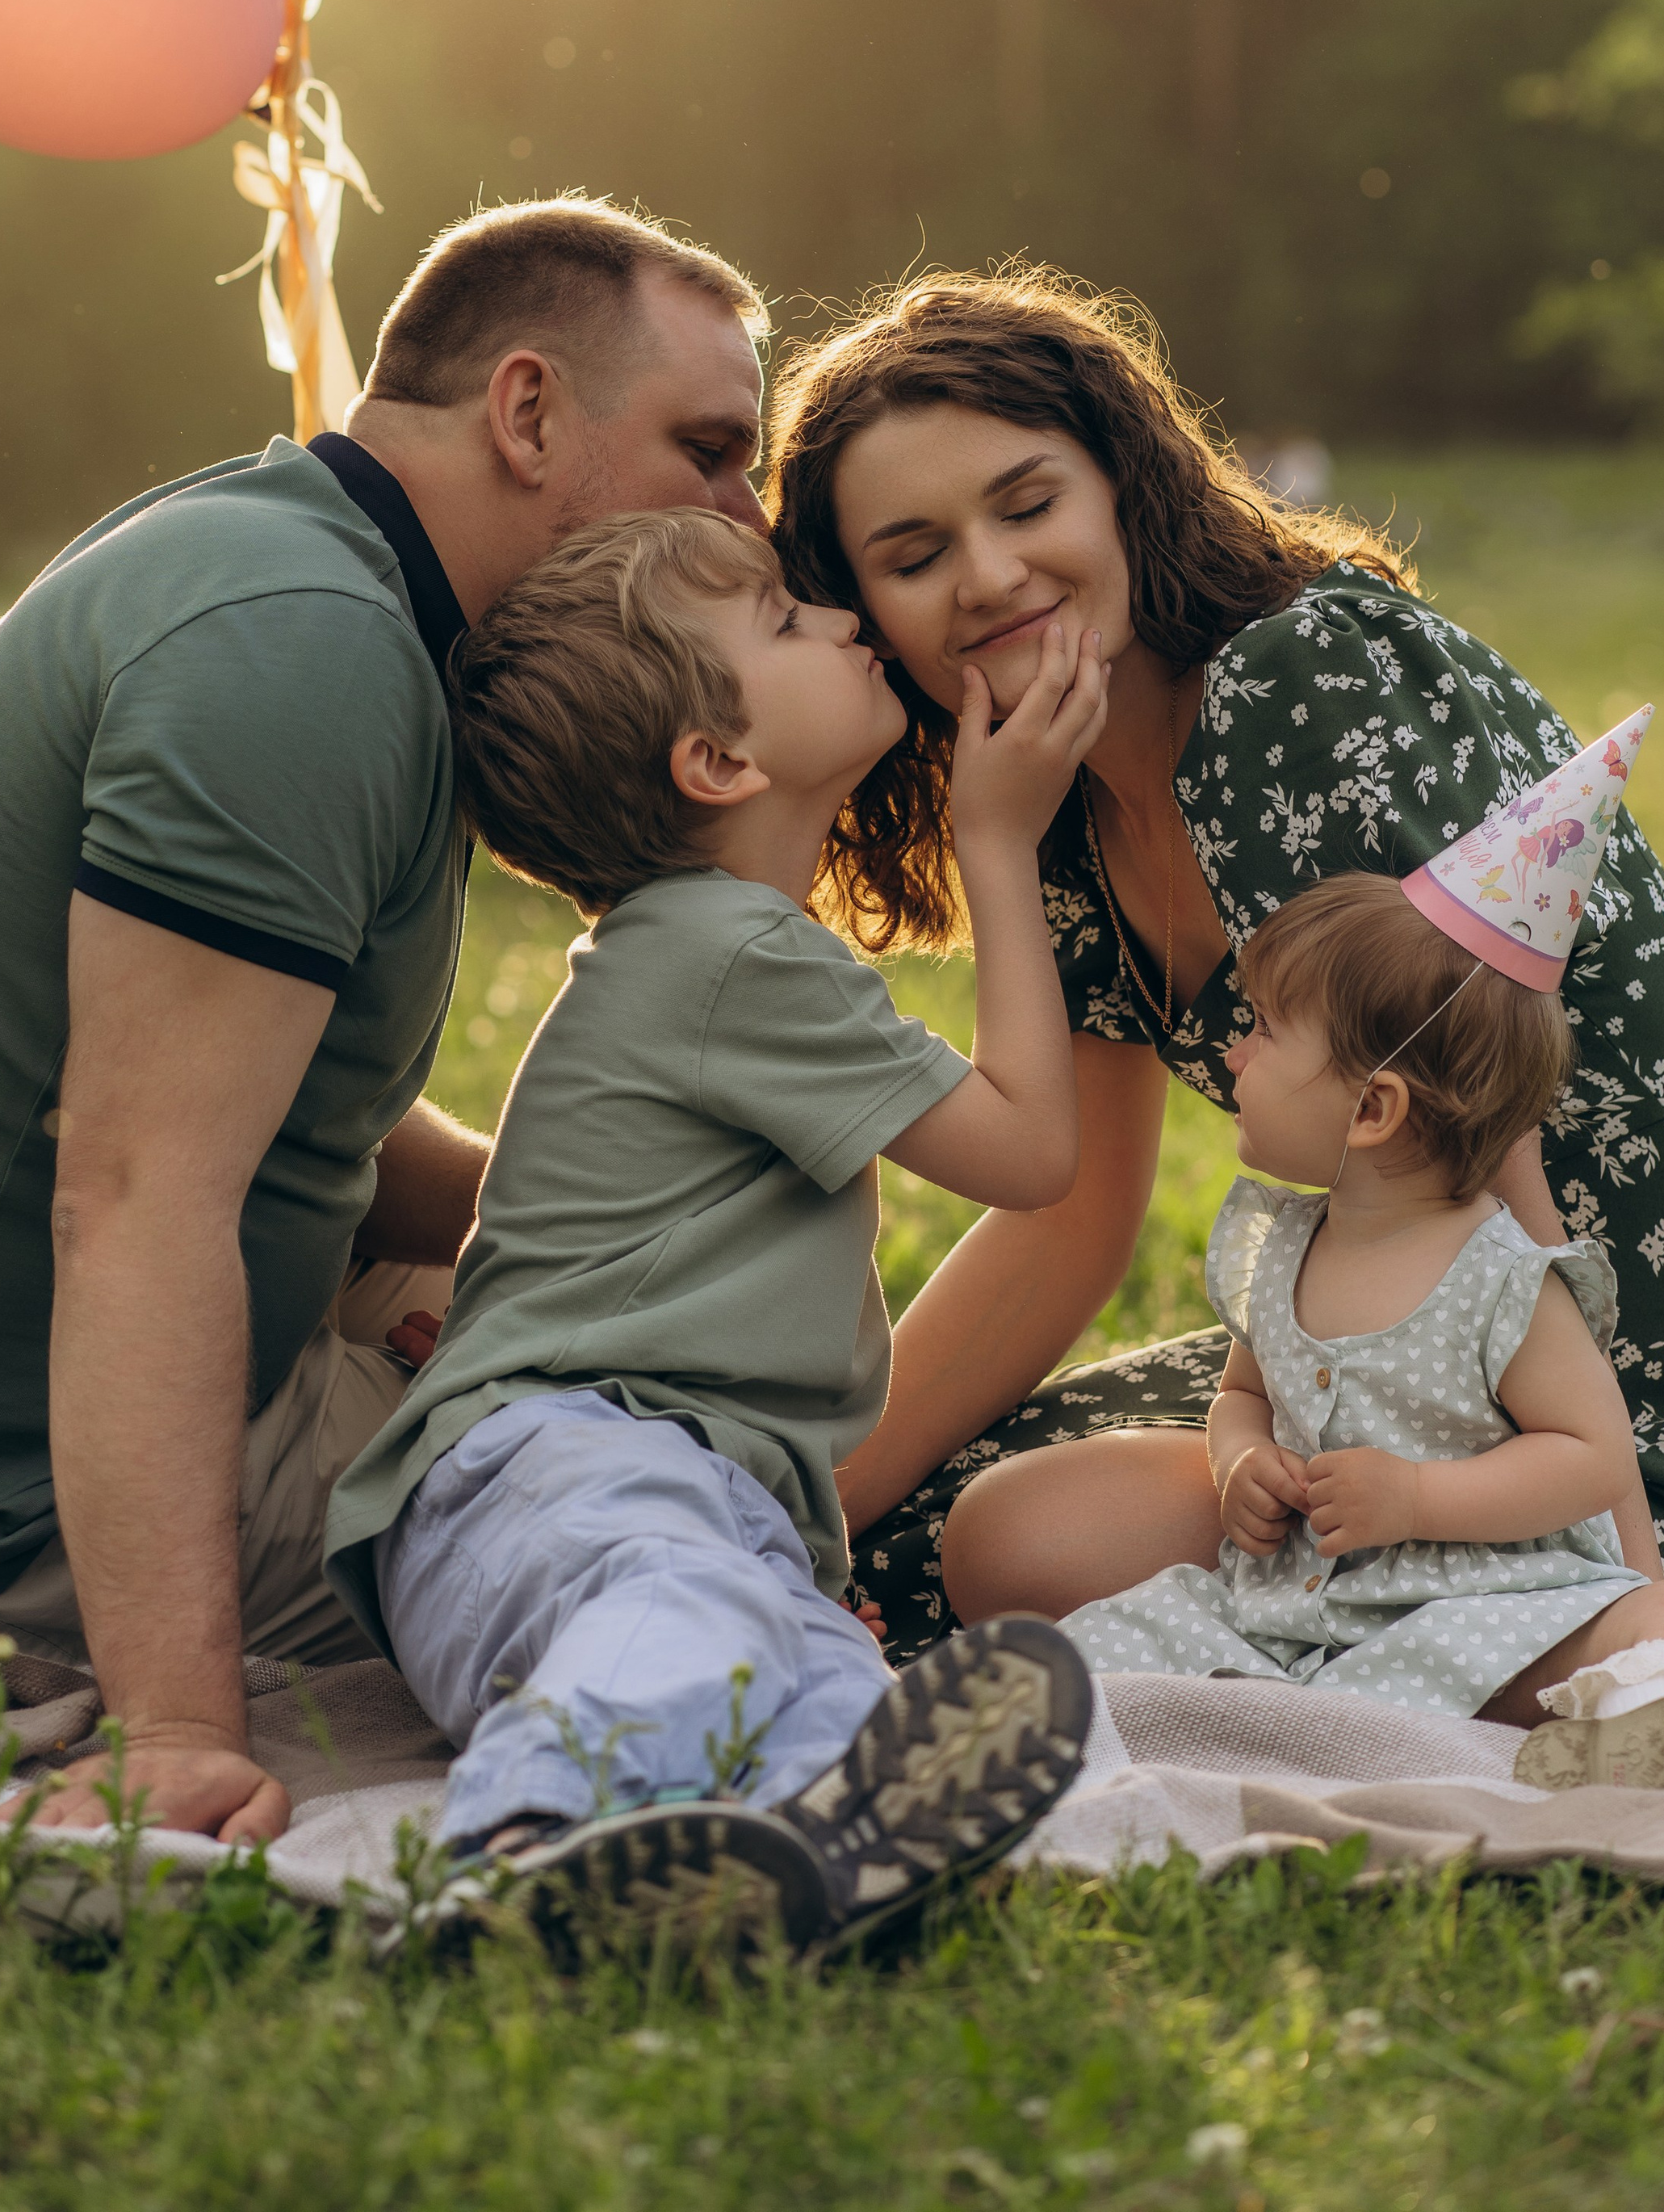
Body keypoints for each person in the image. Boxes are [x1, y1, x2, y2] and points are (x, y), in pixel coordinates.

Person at [0, 198, 778, 1846]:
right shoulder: (301, 651)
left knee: (624, 1327)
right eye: (712, 451)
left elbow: (302, 1111)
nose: (748, 520)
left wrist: (617, 1222)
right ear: (528, 412)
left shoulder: (299, 565)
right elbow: (137, 1193)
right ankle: (693, 1757)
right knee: (674, 1457)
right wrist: (178, 1727)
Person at [765, 268, 1664, 1731]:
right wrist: (799, 1510)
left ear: (1125, 487)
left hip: (1642, 1399)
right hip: (1402, 1368)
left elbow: (1499, 1163)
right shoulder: (1054, 801)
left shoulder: (1303, 685)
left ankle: (1657, 1663)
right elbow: (1069, 1219)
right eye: (914, 555)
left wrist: (1609, 1562)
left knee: (1004, 1563)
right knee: (931, 1537)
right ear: (866, 613)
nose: (991, 575)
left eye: (1028, 505)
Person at [322, 508, 1100, 1951]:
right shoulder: (726, 949)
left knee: (818, 1685)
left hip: (667, 1504)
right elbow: (1033, 1152)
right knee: (682, 1613)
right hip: (563, 1466)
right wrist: (999, 839)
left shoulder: (708, 943)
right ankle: (516, 1854)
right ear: (719, 761)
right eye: (789, 622)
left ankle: (813, 1860)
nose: (843, 619)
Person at [998, 734, 1664, 1798]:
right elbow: (1241, 1397)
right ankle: (1070, 1723)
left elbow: (1591, 1458)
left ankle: (1662, 1715)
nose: (1233, 1053)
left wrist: (1420, 1497)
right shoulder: (1282, 1245)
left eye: (1265, 1031)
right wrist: (1241, 1463)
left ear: (1372, 1109)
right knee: (1104, 1640)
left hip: (1493, 1610)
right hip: (1296, 1612)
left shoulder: (1501, 1277)